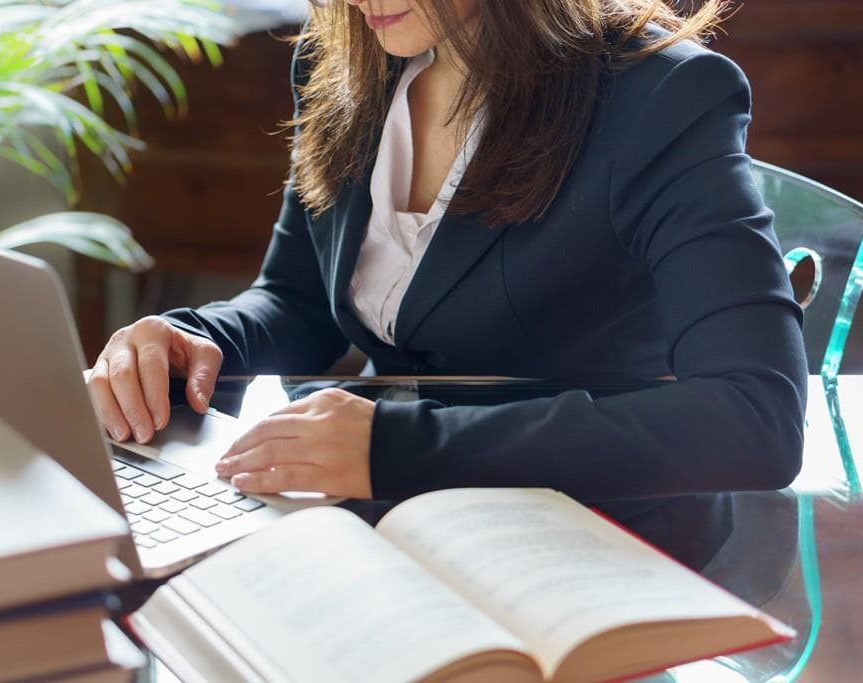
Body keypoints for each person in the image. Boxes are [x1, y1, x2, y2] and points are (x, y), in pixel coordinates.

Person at [87, 0, 808, 514]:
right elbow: (300, 299)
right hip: (371, 512)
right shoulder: (344, 59)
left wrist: (397, 448)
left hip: (588, 531)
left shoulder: (660, 95)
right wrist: (198, 340)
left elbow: (756, 416)